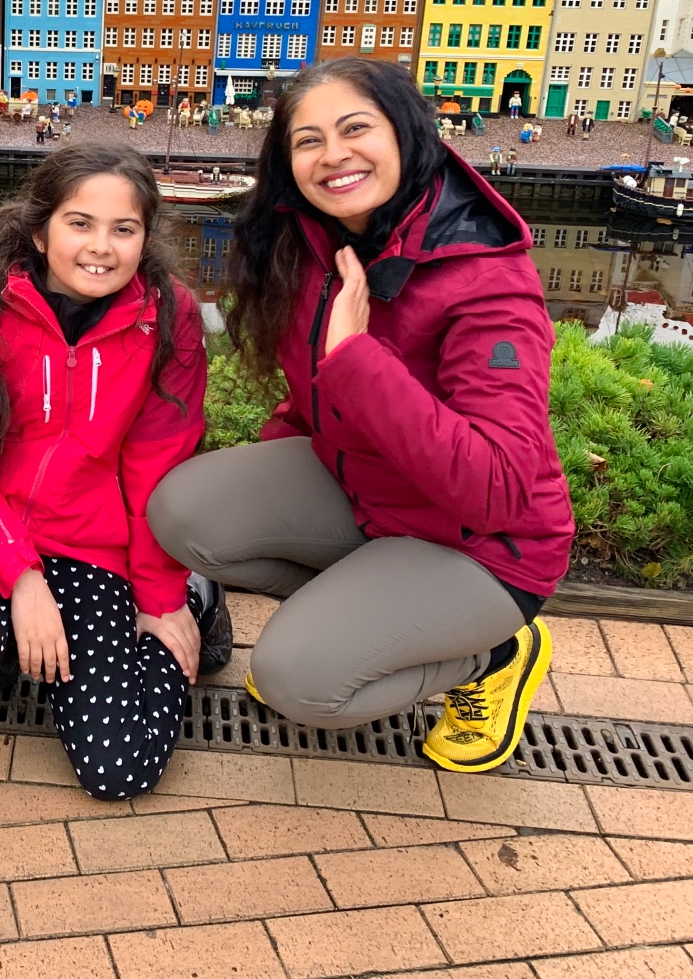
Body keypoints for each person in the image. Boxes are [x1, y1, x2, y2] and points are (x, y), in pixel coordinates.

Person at [147, 57, 569, 775]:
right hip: (375, 493)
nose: (332, 155)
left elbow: (498, 488)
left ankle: (495, 655)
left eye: (354, 129)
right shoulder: (314, 238)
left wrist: (356, 358)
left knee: (298, 681)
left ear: (405, 132)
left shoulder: (488, 278)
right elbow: (309, 400)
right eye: (307, 140)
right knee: (185, 512)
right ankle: (359, 618)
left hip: (483, 545)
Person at [0, 143, 227, 800]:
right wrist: (21, 579)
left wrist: (159, 599)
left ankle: (197, 603)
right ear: (40, 229)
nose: (100, 247)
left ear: (145, 237)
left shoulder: (168, 321)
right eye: (80, 223)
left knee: (118, 773)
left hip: (92, 546)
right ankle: (32, 649)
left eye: (124, 229)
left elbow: (156, 466)